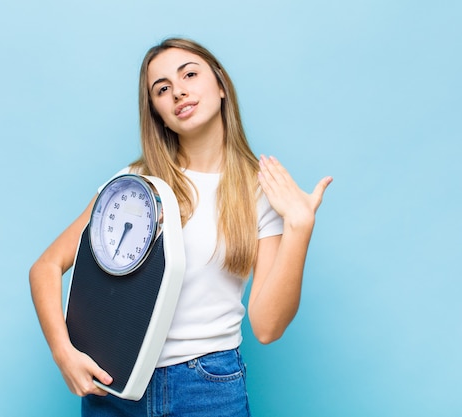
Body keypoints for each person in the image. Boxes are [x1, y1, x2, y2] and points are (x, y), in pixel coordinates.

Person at [29, 37, 332, 417]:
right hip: (115, 385)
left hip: (209, 388)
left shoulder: (258, 190)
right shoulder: (136, 184)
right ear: (157, 111)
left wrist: (300, 227)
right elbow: (45, 267)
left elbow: (268, 327)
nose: (179, 91)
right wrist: (64, 354)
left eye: (189, 74)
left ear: (220, 85)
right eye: (163, 89)